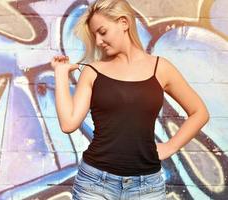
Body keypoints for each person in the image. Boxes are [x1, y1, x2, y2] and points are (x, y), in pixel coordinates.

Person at [50, 0, 210, 199]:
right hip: (95, 183)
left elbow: (199, 112)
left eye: (103, 32)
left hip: (147, 187)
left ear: (124, 23)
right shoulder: (92, 71)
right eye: (95, 35)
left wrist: (171, 146)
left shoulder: (160, 68)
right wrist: (60, 74)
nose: (98, 41)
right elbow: (68, 123)